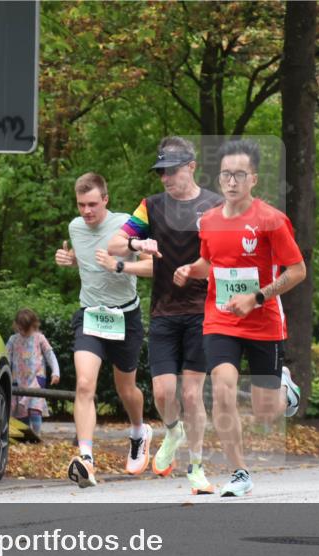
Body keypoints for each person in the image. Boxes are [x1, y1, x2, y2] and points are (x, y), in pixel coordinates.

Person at [174, 139, 306, 498]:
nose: (231, 181)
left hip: (264, 322)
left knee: (266, 412)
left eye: (239, 175)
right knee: (222, 388)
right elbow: (208, 263)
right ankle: (239, 472)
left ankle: (284, 388)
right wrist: (190, 269)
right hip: (221, 320)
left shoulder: (272, 221)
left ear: (253, 180)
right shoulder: (210, 220)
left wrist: (258, 296)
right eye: (225, 175)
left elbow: (297, 271)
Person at [102, 136, 224, 495]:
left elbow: (230, 257)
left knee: (191, 394)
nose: (165, 179)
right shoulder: (151, 207)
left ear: (191, 166)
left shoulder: (216, 207)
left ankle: (197, 468)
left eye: (171, 171)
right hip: (164, 312)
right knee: (162, 391)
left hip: (203, 312)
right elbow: (114, 244)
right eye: (161, 173)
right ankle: (173, 431)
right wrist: (139, 244)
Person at [55, 172, 153, 488]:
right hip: (91, 315)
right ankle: (86, 458)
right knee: (85, 384)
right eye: (82, 204)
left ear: (106, 200)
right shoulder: (74, 228)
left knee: (126, 389)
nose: (87, 211)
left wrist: (119, 265)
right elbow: (83, 262)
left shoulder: (127, 225)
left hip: (125, 315)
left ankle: (139, 431)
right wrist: (70, 261)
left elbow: (154, 266)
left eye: (93, 204)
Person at [6, 307, 60, 436]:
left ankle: (36, 434)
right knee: (20, 410)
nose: (23, 332)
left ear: (34, 325)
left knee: (35, 408)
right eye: (20, 329)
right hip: (18, 380)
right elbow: (6, 357)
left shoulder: (39, 338)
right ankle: (25, 436)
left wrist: (55, 372)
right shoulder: (13, 340)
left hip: (36, 379)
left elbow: (49, 354)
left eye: (26, 329)